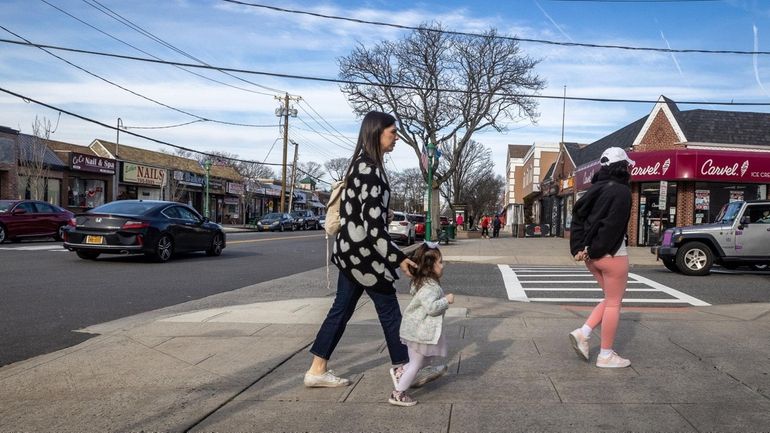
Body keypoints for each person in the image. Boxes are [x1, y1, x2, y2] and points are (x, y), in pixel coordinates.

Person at [304, 111, 418, 387]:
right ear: (376, 133)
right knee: (389, 310)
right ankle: (404, 370)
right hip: (365, 257)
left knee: (341, 309)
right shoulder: (369, 170)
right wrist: (399, 258)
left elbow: (364, 216)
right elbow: (372, 229)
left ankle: (317, 370)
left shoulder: (361, 166)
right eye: (392, 132)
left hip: (352, 254)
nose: (396, 138)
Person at [568, 147, 634, 368]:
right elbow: (612, 227)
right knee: (614, 303)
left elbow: (577, 217)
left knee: (608, 300)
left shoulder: (594, 189)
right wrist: (595, 249)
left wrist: (579, 248)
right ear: (623, 167)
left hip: (591, 257)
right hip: (612, 255)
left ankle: (583, 333)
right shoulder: (622, 192)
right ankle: (605, 355)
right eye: (627, 166)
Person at [388, 242, 454, 406]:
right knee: (417, 363)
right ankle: (398, 393)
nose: (443, 265)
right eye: (440, 262)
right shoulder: (430, 287)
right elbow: (431, 308)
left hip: (419, 329)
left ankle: (400, 371)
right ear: (430, 267)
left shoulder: (423, 282)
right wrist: (446, 300)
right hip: (419, 331)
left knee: (427, 358)